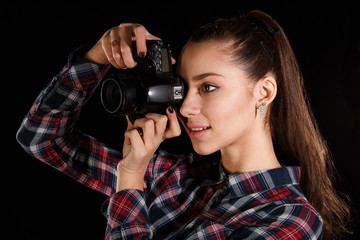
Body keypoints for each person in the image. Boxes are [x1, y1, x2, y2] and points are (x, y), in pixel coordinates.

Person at [16, 10, 350, 239]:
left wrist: (131, 180)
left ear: (264, 92)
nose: (186, 106)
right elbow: (41, 138)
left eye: (208, 87)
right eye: (183, 87)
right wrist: (99, 56)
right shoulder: (170, 177)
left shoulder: (291, 222)